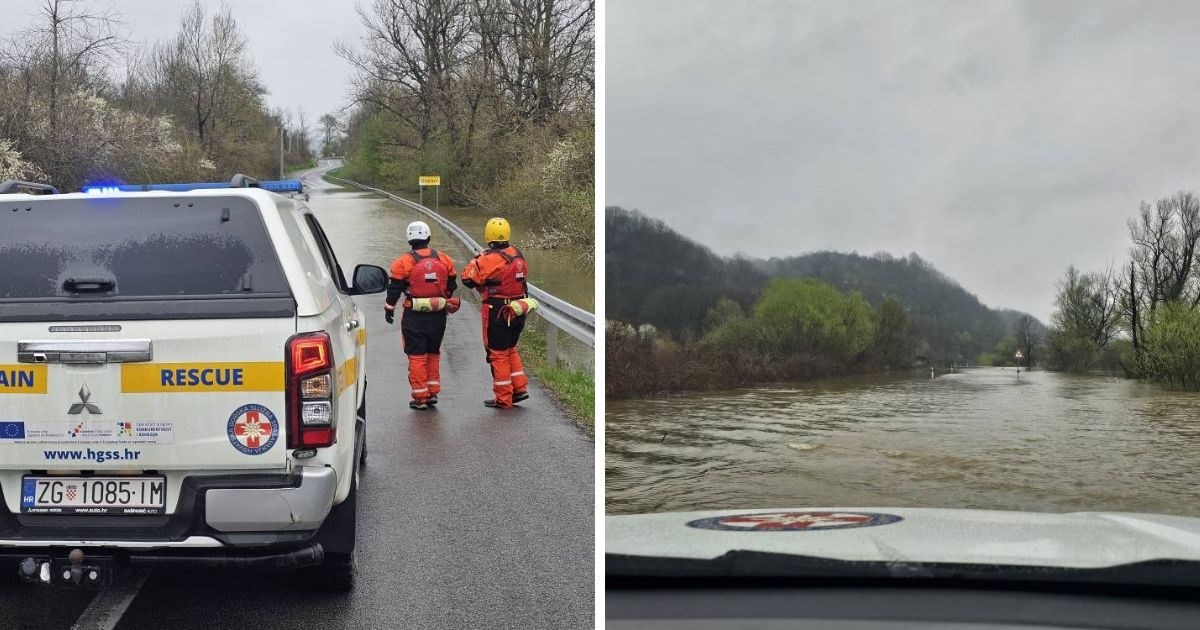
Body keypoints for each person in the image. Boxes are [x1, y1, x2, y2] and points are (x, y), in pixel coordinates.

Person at [461, 217, 535, 409]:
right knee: (511, 348)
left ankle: (503, 397)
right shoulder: (517, 254)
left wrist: (475, 260)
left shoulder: (488, 259)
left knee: (498, 353)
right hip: (518, 308)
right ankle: (519, 389)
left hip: (497, 310)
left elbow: (467, 279)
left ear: (488, 236)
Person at [385, 220, 460, 410]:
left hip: (414, 315)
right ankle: (433, 391)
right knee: (433, 352)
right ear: (428, 237)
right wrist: (441, 301)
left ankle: (420, 397)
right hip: (439, 315)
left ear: (409, 240)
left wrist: (389, 309)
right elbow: (451, 285)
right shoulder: (444, 259)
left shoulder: (402, 262)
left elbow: (394, 289)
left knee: (417, 355)